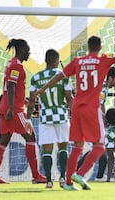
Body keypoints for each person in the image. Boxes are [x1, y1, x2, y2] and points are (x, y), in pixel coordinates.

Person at [36, 26, 115, 190]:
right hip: (91, 108)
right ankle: (80, 174)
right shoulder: (103, 60)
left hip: (76, 108)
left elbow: (59, 76)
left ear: (88, 47)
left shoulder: (77, 61)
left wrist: (43, 89)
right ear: (100, 48)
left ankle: (68, 183)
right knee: (100, 146)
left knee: (77, 146)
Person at [0, 39, 47, 184]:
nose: (29, 53)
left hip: (7, 107)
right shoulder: (17, 66)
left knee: (3, 141)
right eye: (27, 50)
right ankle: (36, 175)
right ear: (22, 50)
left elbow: (12, 87)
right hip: (14, 110)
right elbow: (10, 86)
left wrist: (22, 101)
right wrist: (12, 107)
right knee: (31, 137)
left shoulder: (11, 63)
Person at [26, 49, 73, 188]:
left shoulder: (36, 77)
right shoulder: (63, 76)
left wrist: (28, 119)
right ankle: (63, 178)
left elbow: (32, 100)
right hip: (62, 115)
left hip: (45, 117)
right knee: (63, 148)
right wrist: (76, 114)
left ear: (45, 61)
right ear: (57, 61)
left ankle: (49, 181)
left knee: (47, 150)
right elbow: (69, 98)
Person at [77, 67, 115, 181]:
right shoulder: (103, 87)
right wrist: (103, 119)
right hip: (91, 118)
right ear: (110, 78)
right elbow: (97, 105)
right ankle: (99, 176)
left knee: (98, 147)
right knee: (101, 146)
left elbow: (100, 105)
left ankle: (76, 172)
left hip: (88, 116)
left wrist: (104, 118)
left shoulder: (102, 86)